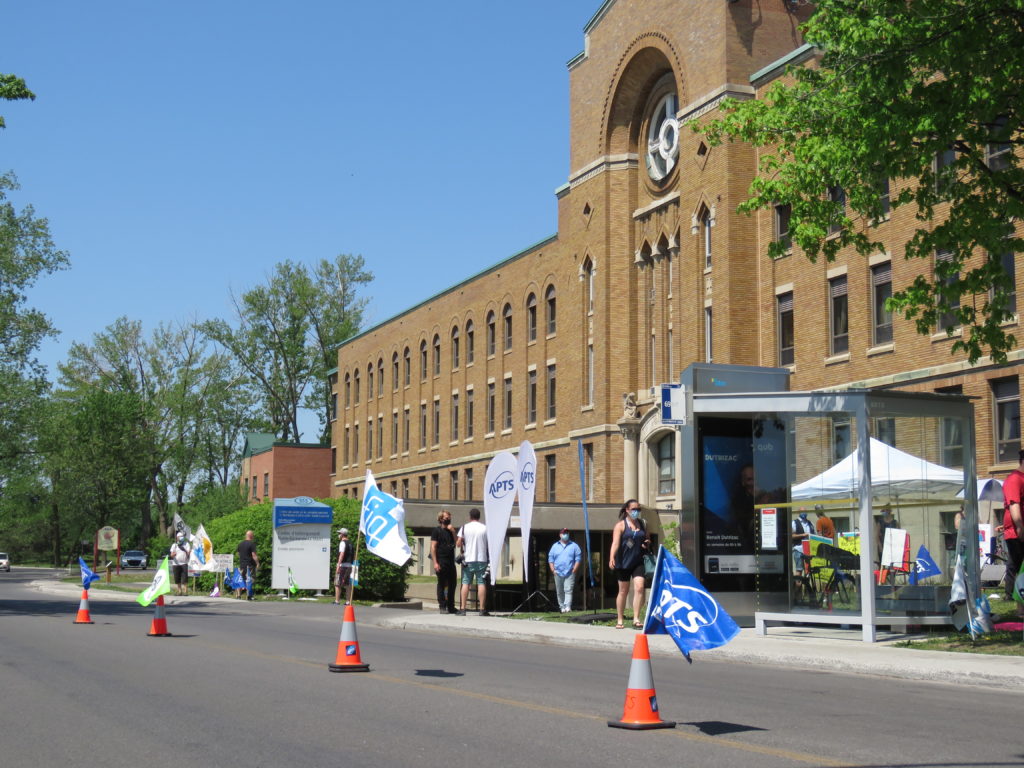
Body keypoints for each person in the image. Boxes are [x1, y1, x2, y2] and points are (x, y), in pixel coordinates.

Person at [609, 499, 650, 629]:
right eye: (634, 509)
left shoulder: (643, 523)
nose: (636, 512)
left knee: (639, 588)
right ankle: (620, 619)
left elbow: (647, 537)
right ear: (627, 510)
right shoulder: (620, 525)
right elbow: (615, 543)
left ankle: (636, 618)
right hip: (623, 562)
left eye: (638, 509)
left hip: (638, 561)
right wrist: (611, 557)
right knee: (623, 591)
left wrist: (647, 542)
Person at [456, 508, 489, 616]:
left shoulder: (464, 527)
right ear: (479, 517)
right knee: (481, 583)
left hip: (468, 560)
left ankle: (463, 609)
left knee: (465, 583)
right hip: (481, 559)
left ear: (470, 517)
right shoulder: (485, 528)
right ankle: (482, 609)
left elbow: (458, 544)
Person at [1001, 450, 1024, 607]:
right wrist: (1020, 527)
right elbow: (1013, 504)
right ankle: (1015, 599)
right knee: (1018, 564)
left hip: (1018, 528)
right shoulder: (1014, 479)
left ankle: (1010, 594)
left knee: (1015, 563)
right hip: (1016, 531)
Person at [548, 528, 582, 613]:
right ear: (560, 534)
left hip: (570, 572)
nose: (565, 534)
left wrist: (575, 569)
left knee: (568, 590)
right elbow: (550, 558)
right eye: (563, 533)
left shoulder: (574, 546)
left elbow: (578, 558)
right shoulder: (555, 546)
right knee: (559, 591)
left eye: (567, 533)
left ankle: (568, 607)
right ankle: (562, 607)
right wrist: (553, 570)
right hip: (557, 573)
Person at [430, 510, 457, 614]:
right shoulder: (436, 531)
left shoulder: (451, 530)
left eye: (449, 517)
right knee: (441, 583)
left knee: (452, 584)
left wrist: (453, 531)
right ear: (441, 519)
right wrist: (435, 562)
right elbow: (433, 547)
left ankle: (451, 606)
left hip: (450, 560)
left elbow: (457, 543)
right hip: (441, 560)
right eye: (446, 517)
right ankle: (442, 606)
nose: (448, 519)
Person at [236, 530, 259, 601]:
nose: (253, 536)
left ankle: (238, 595)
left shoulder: (240, 544)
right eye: (253, 535)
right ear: (251, 536)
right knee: (250, 579)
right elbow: (254, 555)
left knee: (241, 579)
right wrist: (258, 563)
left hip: (242, 565)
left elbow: (238, 554)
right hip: (250, 565)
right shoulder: (252, 544)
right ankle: (249, 595)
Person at [334, 528, 354, 605]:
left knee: (337, 583)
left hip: (343, 565)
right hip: (349, 565)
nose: (338, 535)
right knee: (347, 584)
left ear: (342, 534)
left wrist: (338, 565)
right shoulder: (351, 543)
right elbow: (354, 555)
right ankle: (348, 601)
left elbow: (341, 554)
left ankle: (337, 601)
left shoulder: (342, 543)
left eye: (339, 533)